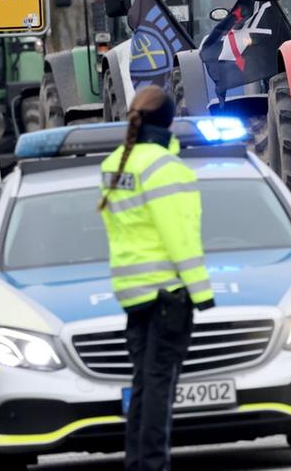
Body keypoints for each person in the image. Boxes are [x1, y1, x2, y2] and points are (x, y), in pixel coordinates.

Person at [98, 85, 214, 471]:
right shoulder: (166, 169)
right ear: (169, 122)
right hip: (167, 295)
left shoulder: (116, 163)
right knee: (159, 387)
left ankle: (139, 463)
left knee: (145, 386)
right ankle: (151, 465)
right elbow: (178, 237)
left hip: (133, 294)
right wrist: (201, 293)